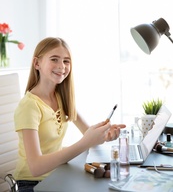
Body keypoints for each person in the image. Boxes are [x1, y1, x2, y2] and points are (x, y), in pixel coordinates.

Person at [14, 37, 126, 192]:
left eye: (66, 61)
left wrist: (104, 134)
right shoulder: (29, 106)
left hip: (57, 174)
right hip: (33, 184)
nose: (61, 66)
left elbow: (89, 137)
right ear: (37, 63)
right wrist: (85, 142)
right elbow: (35, 167)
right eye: (54, 59)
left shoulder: (61, 97)